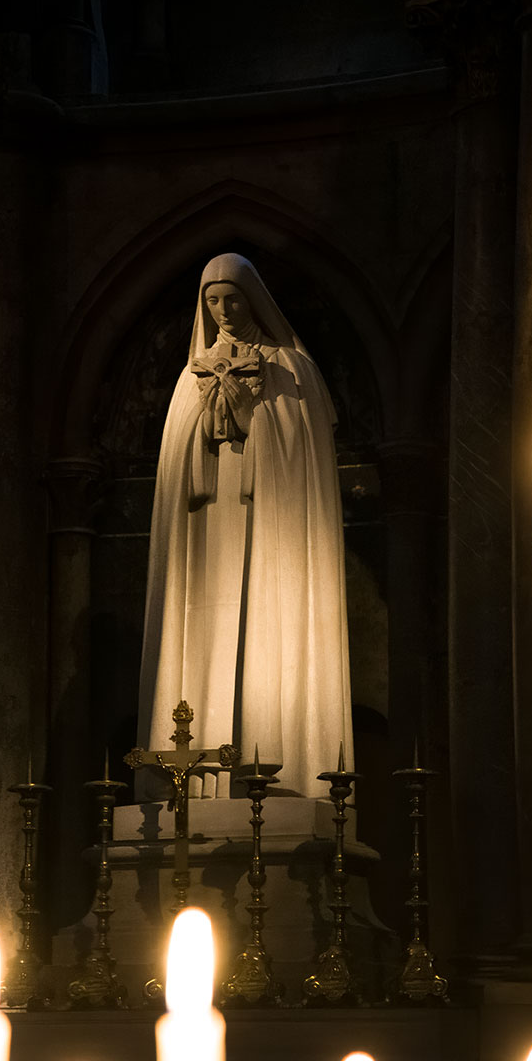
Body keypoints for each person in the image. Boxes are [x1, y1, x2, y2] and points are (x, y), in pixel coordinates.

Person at [137, 252, 353, 799]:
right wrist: (207, 425)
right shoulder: (190, 379)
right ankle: (191, 776)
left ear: (253, 297)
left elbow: (301, 457)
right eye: (212, 301)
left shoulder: (292, 370)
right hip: (208, 535)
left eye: (232, 297)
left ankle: (286, 772)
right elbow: (173, 477)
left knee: (268, 632)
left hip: (274, 530)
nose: (224, 310)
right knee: (204, 631)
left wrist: (256, 430)